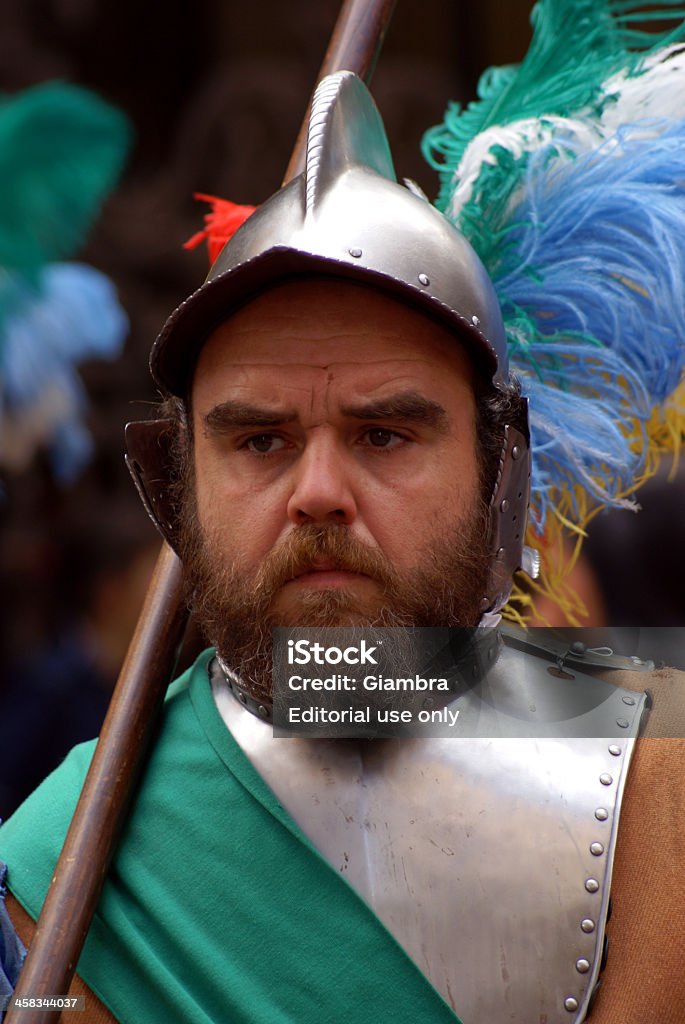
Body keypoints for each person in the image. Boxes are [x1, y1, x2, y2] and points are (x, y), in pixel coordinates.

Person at [1, 71, 684, 1024]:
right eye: (259, 441)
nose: (317, 493)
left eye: (384, 434)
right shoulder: (53, 862)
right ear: (175, 485)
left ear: (500, 473)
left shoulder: (661, 763)